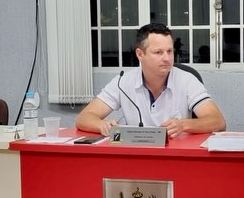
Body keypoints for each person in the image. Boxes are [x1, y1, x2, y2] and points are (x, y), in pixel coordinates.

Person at [76, 22, 226, 137]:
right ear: (140, 54)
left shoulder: (187, 80)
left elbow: (218, 121)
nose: (167, 58)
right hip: (137, 156)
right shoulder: (123, 82)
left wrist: (183, 125)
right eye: (158, 52)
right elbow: (83, 118)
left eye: (169, 51)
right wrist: (102, 125)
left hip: (177, 156)